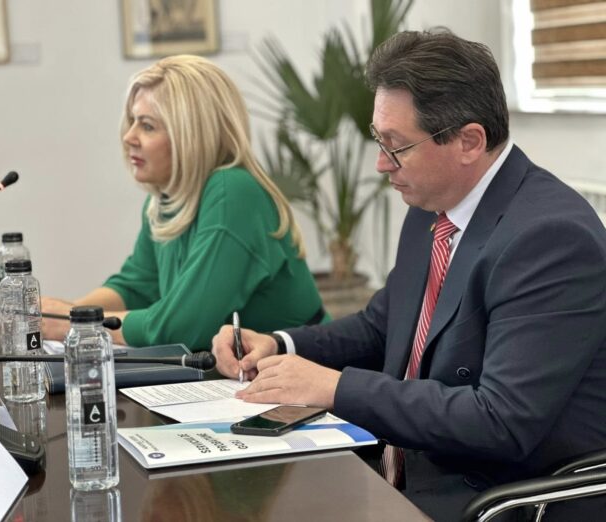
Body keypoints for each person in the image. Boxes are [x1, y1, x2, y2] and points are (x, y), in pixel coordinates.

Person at [212, 29, 606, 521]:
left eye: (396, 146)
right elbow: (382, 326)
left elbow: (499, 420)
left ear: (469, 141)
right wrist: (280, 345)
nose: (382, 164)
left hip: (495, 498)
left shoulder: (550, 238)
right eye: (380, 140)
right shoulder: (432, 209)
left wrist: (334, 388)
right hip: (405, 471)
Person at [42, 55, 325, 351]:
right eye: (133, 121)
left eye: (147, 126)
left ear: (192, 134)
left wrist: (74, 323)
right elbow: (137, 286)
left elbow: (182, 328)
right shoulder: (165, 199)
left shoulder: (233, 192)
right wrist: (60, 315)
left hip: (300, 367)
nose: (129, 137)